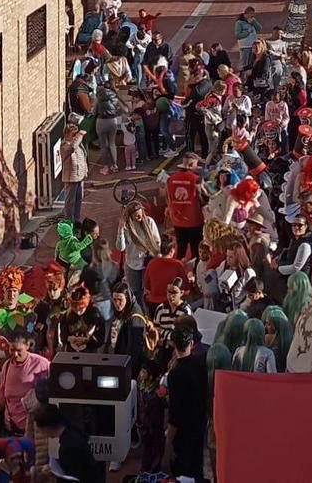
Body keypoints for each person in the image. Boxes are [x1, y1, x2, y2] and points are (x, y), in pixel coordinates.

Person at [165, 326, 208, 483]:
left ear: (173, 344)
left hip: (182, 434)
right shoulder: (201, 364)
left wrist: (168, 442)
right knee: (196, 471)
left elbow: (175, 413)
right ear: (191, 343)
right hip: (198, 426)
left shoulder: (175, 374)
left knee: (181, 475)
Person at [0, 332, 50, 436]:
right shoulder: (7, 365)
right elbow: (2, 389)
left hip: (32, 429)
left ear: (27, 346)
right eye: (12, 350)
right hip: (10, 427)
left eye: (19, 351)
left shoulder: (41, 364)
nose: (15, 355)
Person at [34, 404, 103, 483]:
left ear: (46, 428)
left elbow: (73, 478)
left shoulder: (68, 447)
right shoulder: (72, 432)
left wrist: (53, 477)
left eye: (41, 431)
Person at [114, 199, 161, 305]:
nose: (139, 218)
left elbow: (157, 242)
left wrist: (154, 255)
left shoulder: (149, 222)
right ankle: (139, 311)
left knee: (147, 291)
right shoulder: (127, 227)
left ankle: (147, 311)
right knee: (135, 292)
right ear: (130, 216)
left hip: (146, 263)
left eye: (140, 214)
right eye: (136, 216)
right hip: (132, 265)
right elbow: (120, 248)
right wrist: (120, 230)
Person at [166, 153, 206, 262]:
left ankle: (178, 271)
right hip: (195, 220)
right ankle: (195, 274)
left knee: (181, 249)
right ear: (193, 164)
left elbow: (168, 198)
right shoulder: (197, 179)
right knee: (196, 251)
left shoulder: (171, 179)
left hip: (178, 220)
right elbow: (204, 198)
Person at [59, 122, 88, 224]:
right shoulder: (64, 146)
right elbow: (72, 148)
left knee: (79, 199)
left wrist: (85, 171)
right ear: (67, 135)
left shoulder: (78, 144)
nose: (75, 137)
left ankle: (76, 219)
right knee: (70, 201)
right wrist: (79, 136)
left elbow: (83, 156)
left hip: (80, 176)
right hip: (71, 178)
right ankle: (69, 222)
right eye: (73, 135)